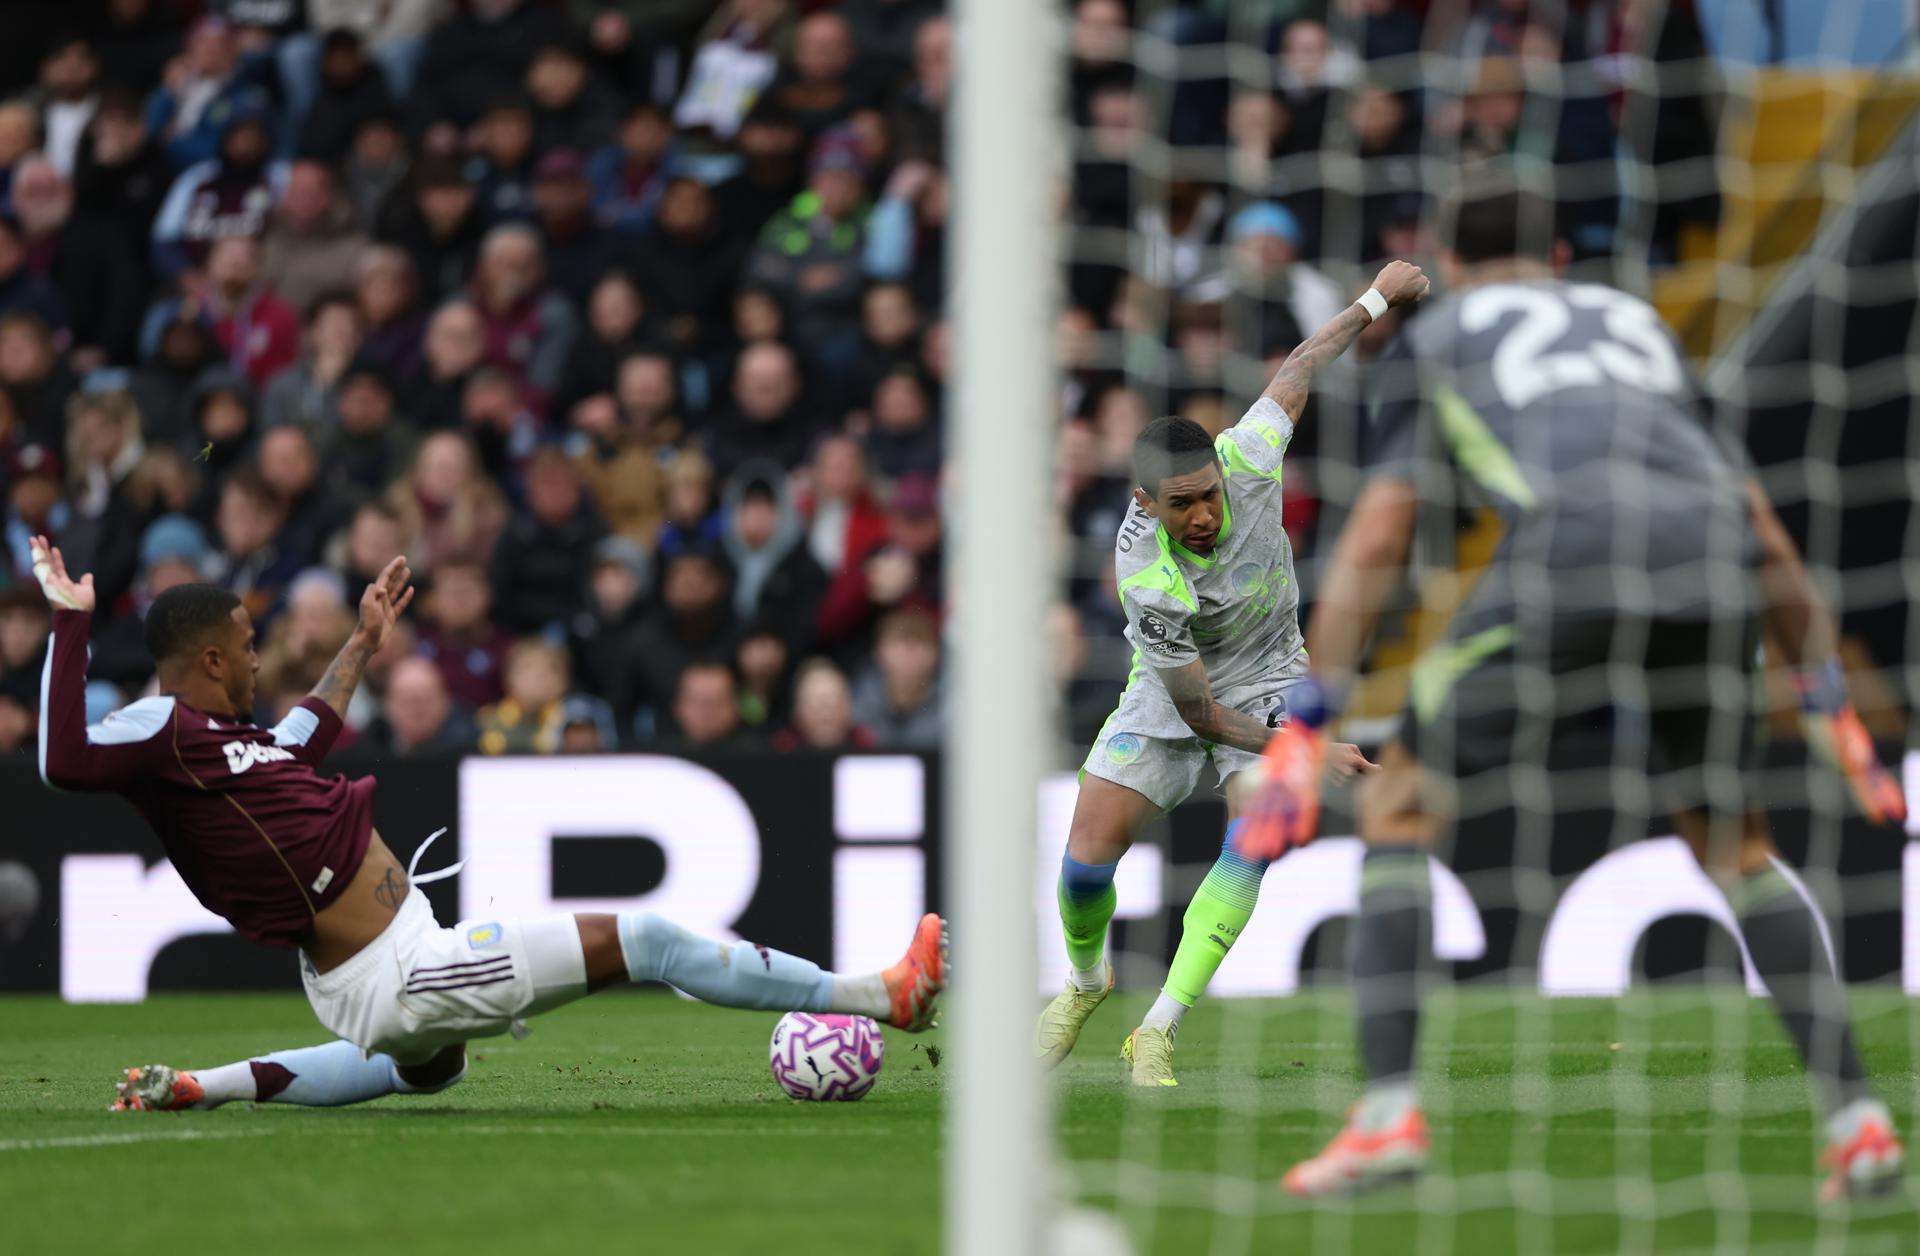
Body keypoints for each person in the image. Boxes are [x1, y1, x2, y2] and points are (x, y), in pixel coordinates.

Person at [1246, 187, 1907, 1201]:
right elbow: (1762, 521)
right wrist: (1830, 702)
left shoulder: (1446, 331)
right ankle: (1861, 1124)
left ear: (1450, 262)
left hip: (1572, 553)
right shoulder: (1637, 325)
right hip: (1714, 565)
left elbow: (1380, 533)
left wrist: (1309, 722)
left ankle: (1385, 1118)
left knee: (1399, 796)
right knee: (1736, 844)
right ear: (1558, 255)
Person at [27, 536, 945, 1114]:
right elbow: (63, 761)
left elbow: (299, 738)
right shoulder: (161, 731)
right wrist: (70, 625)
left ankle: (211, 1083)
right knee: (649, 939)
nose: (263, 659)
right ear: (214, 655)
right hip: (397, 971)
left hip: (387, 968)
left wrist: (361, 644)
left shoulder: (228, 738)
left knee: (420, 1071)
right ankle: (880, 996)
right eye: (251, 646)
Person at [1032, 259, 1429, 1087]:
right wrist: (1310, 751)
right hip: (1178, 689)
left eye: (1208, 494)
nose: (1206, 514)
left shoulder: (1247, 453)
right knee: (1084, 864)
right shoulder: (1145, 573)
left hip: (1271, 673)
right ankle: (1085, 980)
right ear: (1146, 504)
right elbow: (1201, 715)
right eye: (1182, 506)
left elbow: (1298, 366)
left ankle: (1159, 1027)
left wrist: (1374, 298)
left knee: (1257, 829)